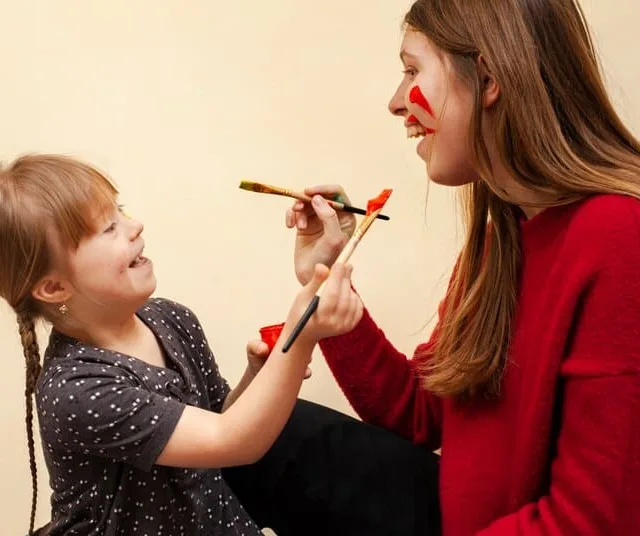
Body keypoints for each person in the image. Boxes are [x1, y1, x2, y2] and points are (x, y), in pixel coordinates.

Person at [285, 0, 640, 534]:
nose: (395, 103)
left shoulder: (618, 237)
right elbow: (419, 413)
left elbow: (588, 519)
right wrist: (328, 276)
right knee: (277, 441)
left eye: (411, 71)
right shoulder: (504, 242)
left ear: (489, 77)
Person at [0, 153, 362, 535]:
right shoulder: (76, 391)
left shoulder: (171, 319)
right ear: (54, 287)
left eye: (121, 211)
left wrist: (257, 377)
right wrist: (299, 338)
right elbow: (235, 441)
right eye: (108, 228)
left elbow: (217, 424)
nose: (135, 225)